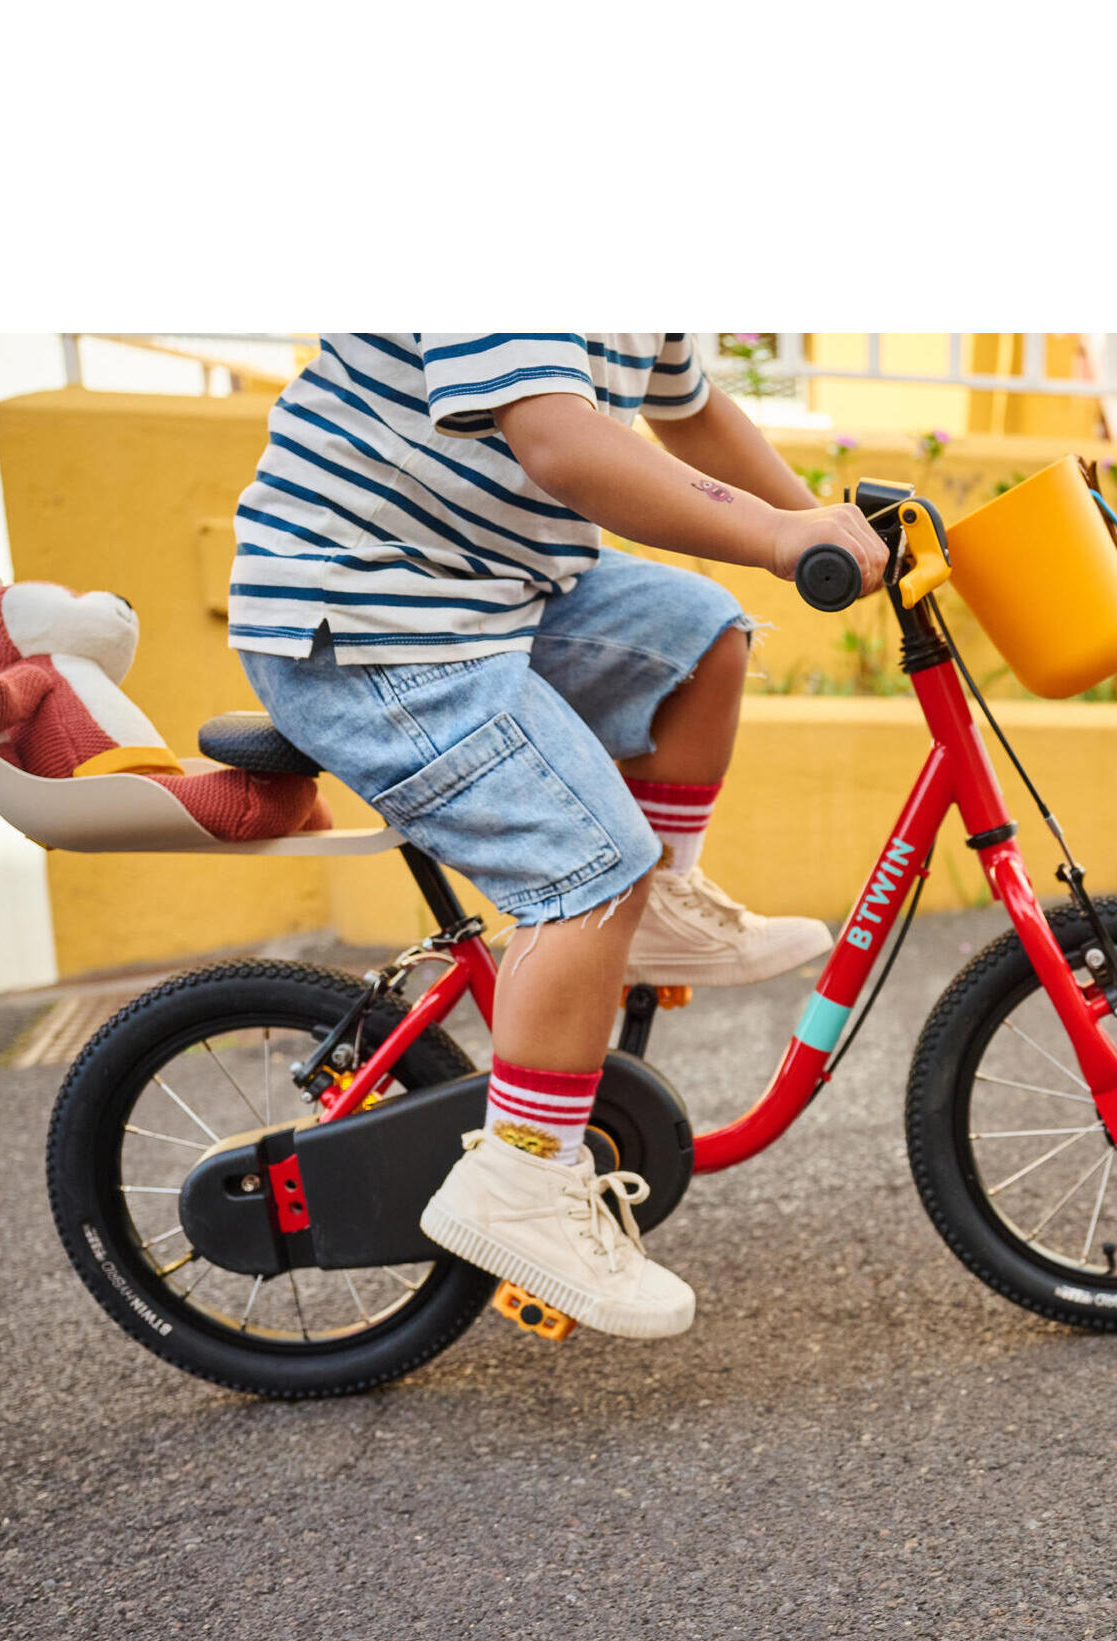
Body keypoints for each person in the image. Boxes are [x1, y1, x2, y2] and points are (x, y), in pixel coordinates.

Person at [230, 334, 888, 1340]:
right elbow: (561, 444)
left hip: (494, 592)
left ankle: (663, 902)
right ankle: (520, 1181)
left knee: (701, 635)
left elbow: (692, 409)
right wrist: (770, 536)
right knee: (590, 864)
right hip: (370, 620)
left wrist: (810, 522)